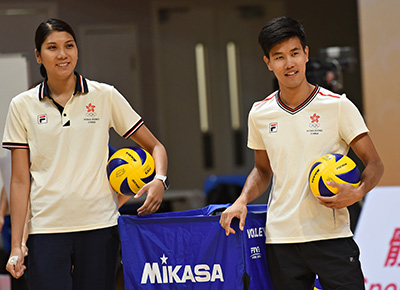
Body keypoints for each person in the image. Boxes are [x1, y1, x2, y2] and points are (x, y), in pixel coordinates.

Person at [2, 18, 168, 290]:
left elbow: (155, 147)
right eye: (52, 47)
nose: (62, 54)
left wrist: (160, 179)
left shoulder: (105, 96)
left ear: (77, 50)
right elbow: (20, 180)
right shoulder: (22, 105)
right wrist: (17, 246)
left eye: (69, 45)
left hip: (100, 226)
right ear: (38, 56)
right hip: (46, 229)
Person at [219, 16, 384, 289]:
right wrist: (242, 200)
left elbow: (374, 163)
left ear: (306, 54)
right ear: (268, 63)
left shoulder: (338, 106)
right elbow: (262, 170)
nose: (289, 63)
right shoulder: (259, 113)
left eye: (295, 53)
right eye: (279, 57)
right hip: (281, 240)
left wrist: (358, 191)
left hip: (331, 238)